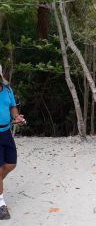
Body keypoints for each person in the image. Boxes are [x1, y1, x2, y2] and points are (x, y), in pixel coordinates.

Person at [0, 64, 25, 220]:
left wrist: (17, 117)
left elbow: (12, 107)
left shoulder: (7, 90)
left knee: (11, 164)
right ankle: (1, 205)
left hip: (6, 132)